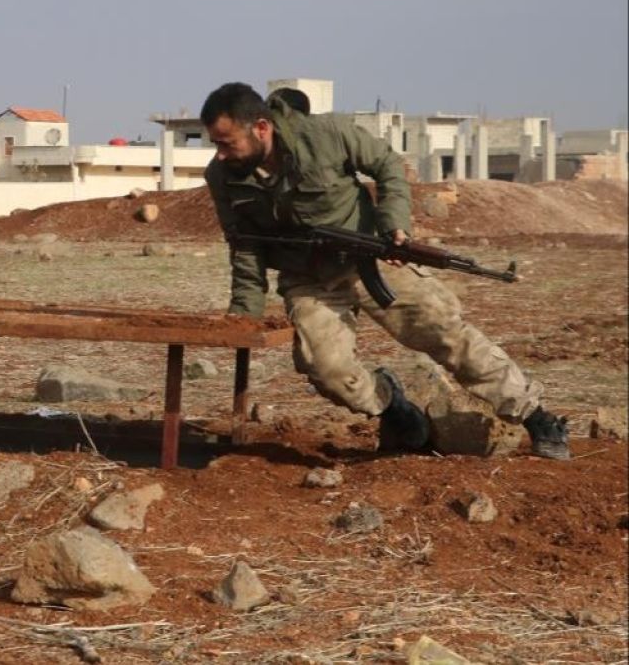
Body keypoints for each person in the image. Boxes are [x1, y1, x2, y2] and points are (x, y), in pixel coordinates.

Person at [200, 82, 569, 459]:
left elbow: (387, 166)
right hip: (309, 280)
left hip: (369, 257)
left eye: (227, 142)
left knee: (445, 332)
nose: (221, 154)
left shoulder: (327, 135)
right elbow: (244, 243)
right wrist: (245, 314)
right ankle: (392, 405)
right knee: (327, 371)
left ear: (261, 127)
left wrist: (395, 225)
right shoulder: (221, 176)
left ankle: (537, 416)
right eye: (215, 144)